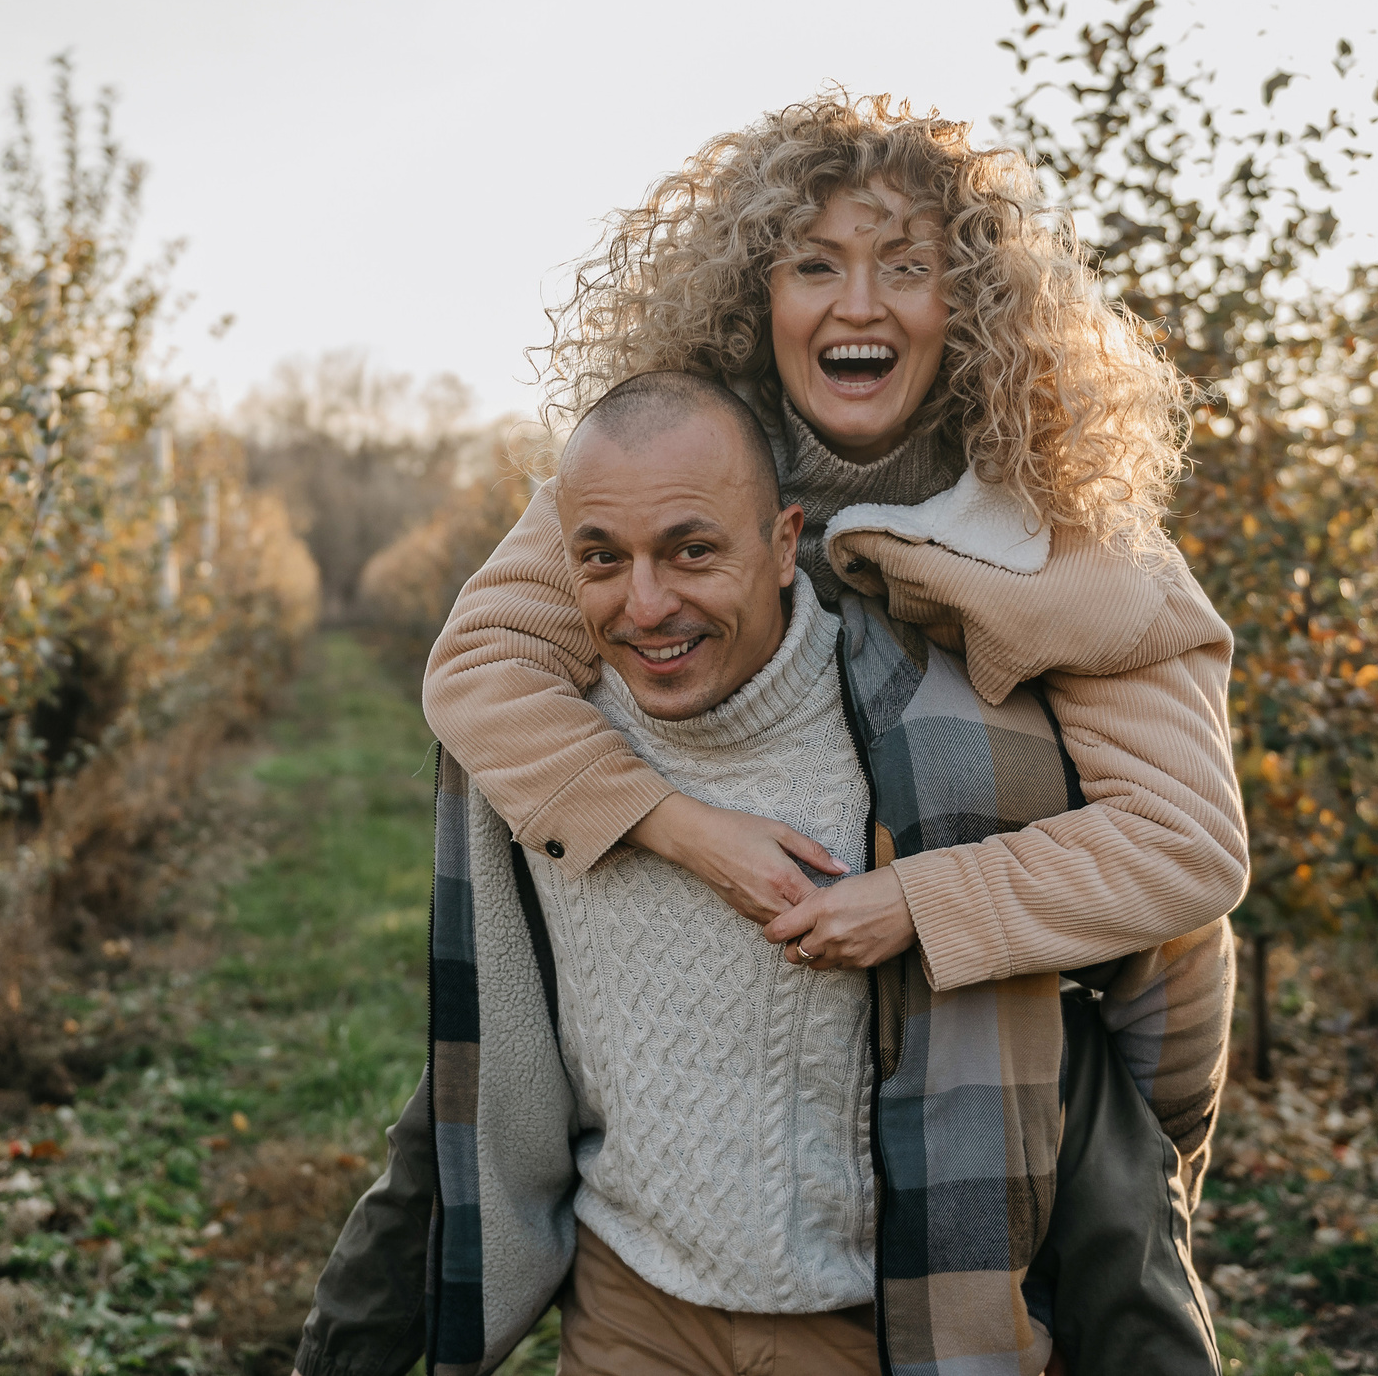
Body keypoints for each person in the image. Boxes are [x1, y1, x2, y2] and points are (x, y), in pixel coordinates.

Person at [295, 372, 1218, 1376]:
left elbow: (1163, 977)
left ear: (784, 545)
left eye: (693, 550)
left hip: (882, 1330)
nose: (646, 604)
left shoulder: (937, 761)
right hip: (627, 1314)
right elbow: (486, 1056)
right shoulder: (548, 762)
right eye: (602, 558)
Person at [425, 95, 1244, 1193]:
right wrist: (682, 826)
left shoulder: (1068, 534)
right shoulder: (676, 470)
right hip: (698, 1090)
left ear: (969, 303)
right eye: (813, 265)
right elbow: (482, 667)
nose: (858, 303)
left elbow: (1185, 842)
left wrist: (916, 900)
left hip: (978, 1113)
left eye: (906, 266)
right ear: (755, 296)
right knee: (424, 1171)